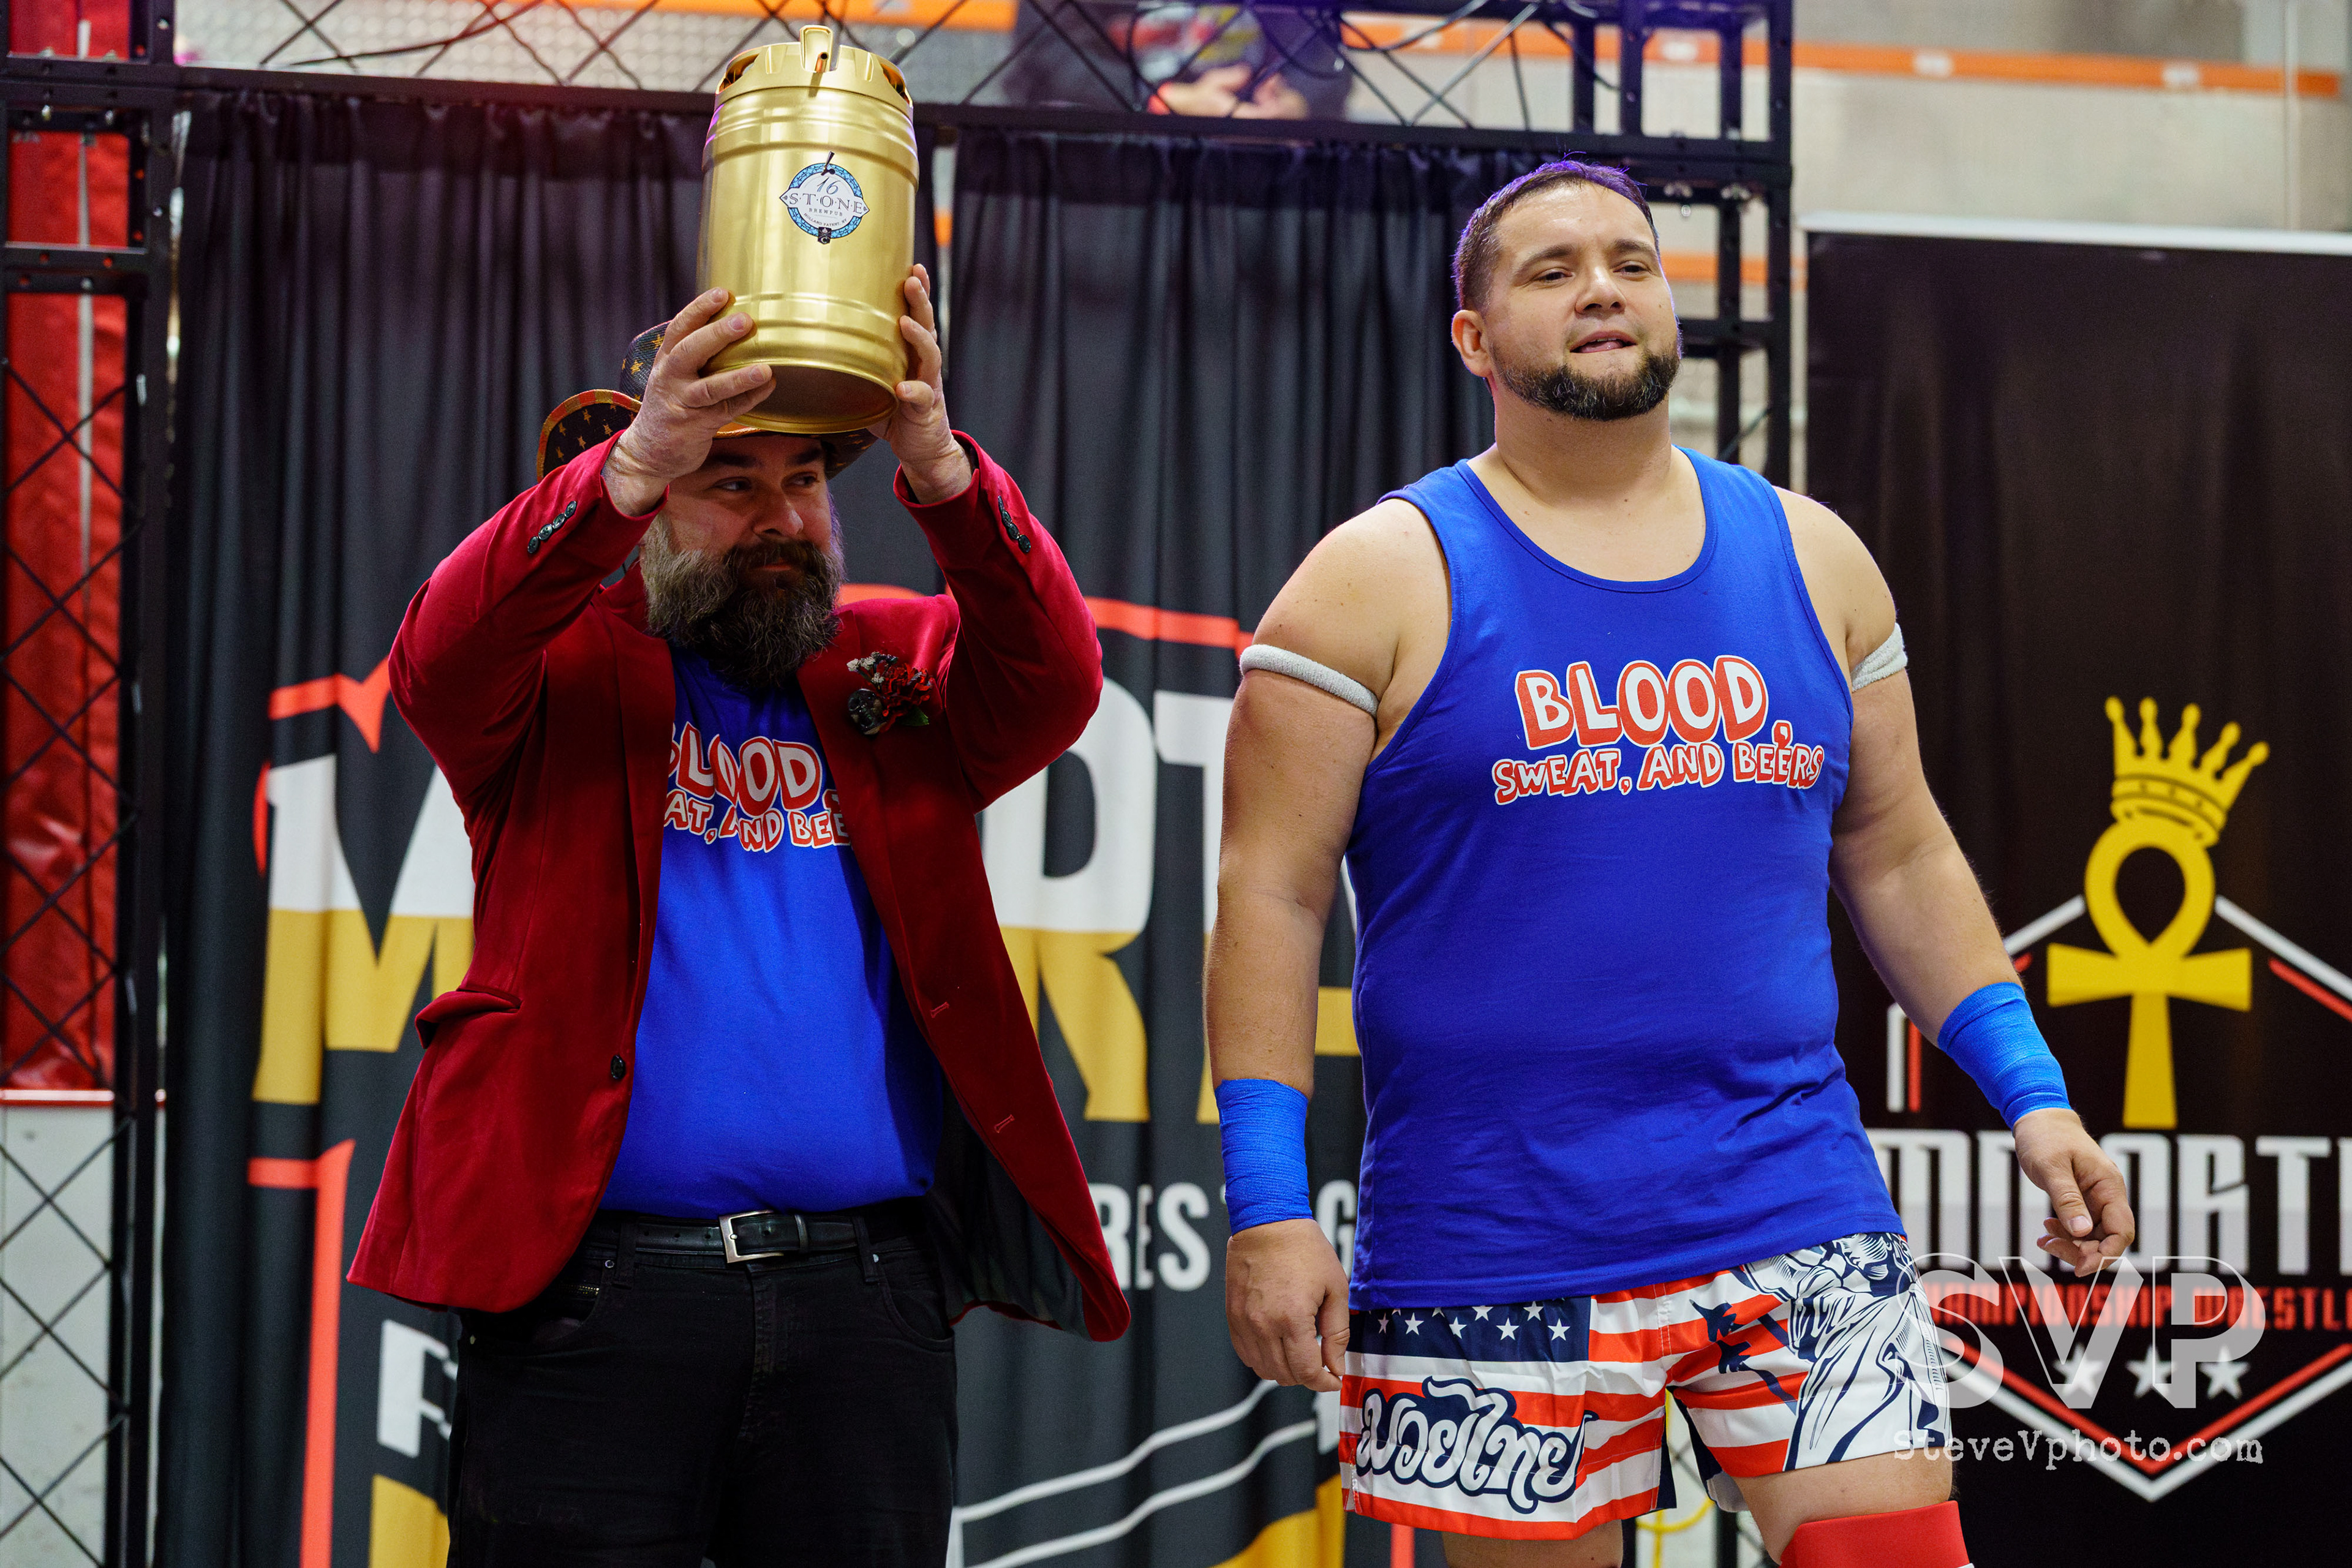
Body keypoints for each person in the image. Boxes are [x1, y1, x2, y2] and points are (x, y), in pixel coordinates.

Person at [1204, 162, 2137, 1567]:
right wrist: (1270, 1207)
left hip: (1791, 1199)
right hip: (1493, 1233)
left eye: (1631, 261)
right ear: (1472, 338)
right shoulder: (1370, 578)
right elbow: (1267, 899)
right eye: (1552, 269)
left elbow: (1898, 849)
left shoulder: (1814, 557)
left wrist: (2034, 1091)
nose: (1602, 288)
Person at [348, 272, 1128, 1565]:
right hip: (595, 1299)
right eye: (730, 481)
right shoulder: (555, 670)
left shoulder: (892, 658)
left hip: (866, 1299)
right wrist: (628, 464)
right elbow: (443, 652)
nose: (783, 518)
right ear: (651, 506)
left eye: (805, 480)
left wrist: (940, 466)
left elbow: (1055, 680)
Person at [1004, 0, 1352, 119]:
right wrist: (1165, 100)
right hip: (1105, 156)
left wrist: (1294, 103)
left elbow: (1325, 60)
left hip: (1254, 161)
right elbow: (1048, 58)